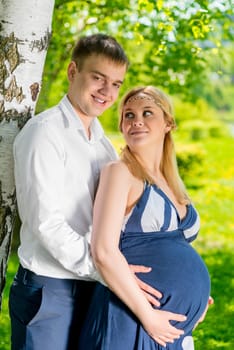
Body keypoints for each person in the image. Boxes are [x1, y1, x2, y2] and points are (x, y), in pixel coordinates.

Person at [9, 35, 185, 350]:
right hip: (52, 291)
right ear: (73, 72)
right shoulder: (44, 134)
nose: (107, 92)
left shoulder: (103, 145)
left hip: (97, 288)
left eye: (116, 84)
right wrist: (105, 269)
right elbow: (45, 224)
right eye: (98, 78)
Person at [78, 86, 211, 350]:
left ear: (168, 124)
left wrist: (198, 296)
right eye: (128, 115)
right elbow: (103, 250)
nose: (136, 120)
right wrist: (148, 317)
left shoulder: (170, 181)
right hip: (132, 317)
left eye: (147, 113)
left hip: (171, 326)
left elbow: (175, 247)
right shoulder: (120, 172)